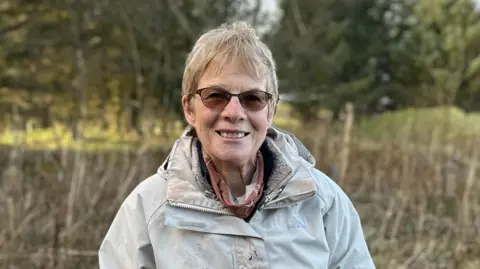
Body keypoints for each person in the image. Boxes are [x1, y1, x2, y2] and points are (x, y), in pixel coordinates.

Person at [98, 21, 376, 269]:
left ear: (270, 111)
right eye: (215, 95)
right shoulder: (150, 207)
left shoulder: (321, 201)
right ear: (189, 108)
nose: (234, 112)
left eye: (253, 98)